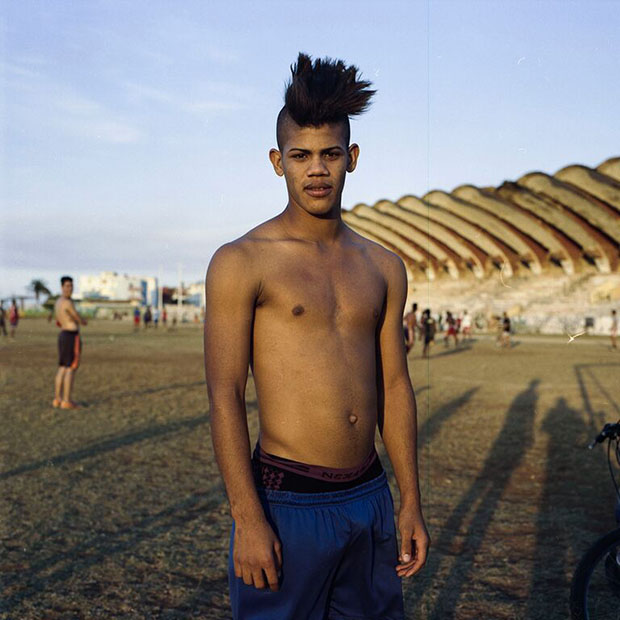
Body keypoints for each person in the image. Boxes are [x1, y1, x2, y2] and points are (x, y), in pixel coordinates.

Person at [204, 53, 429, 620]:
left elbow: (396, 387)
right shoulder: (242, 261)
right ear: (278, 162)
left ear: (351, 158)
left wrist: (410, 502)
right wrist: (248, 518)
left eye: (330, 154)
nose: (317, 170)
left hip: (370, 497)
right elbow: (225, 393)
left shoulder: (384, 266)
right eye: (301, 156)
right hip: (287, 503)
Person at [53, 276, 87, 409]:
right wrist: (82, 321)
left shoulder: (58, 302)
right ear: (62, 287)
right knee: (71, 368)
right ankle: (66, 400)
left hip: (62, 335)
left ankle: (57, 399)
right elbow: (76, 317)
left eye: (71, 286)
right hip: (71, 336)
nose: (70, 289)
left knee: (62, 367)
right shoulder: (67, 302)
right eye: (67, 286)